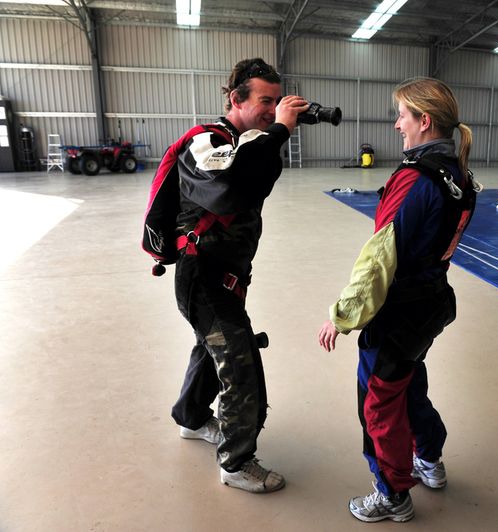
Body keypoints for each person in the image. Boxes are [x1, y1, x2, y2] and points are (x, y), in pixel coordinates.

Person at [317, 77, 480, 523]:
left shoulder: (414, 180)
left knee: (378, 399)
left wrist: (343, 316)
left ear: (424, 121)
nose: (396, 124)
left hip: (398, 311)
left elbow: (378, 261)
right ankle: (429, 457)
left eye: (403, 116)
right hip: (431, 305)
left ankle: (392, 493)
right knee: (407, 381)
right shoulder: (458, 175)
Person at [168, 58, 308, 493]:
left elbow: (255, 178)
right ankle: (236, 463)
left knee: (210, 349)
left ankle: (191, 419)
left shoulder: (249, 142)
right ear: (236, 99)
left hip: (229, 276)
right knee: (240, 363)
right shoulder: (204, 142)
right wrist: (280, 130)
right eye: (265, 101)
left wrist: (271, 134)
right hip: (204, 277)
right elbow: (227, 192)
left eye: (276, 101)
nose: (273, 109)